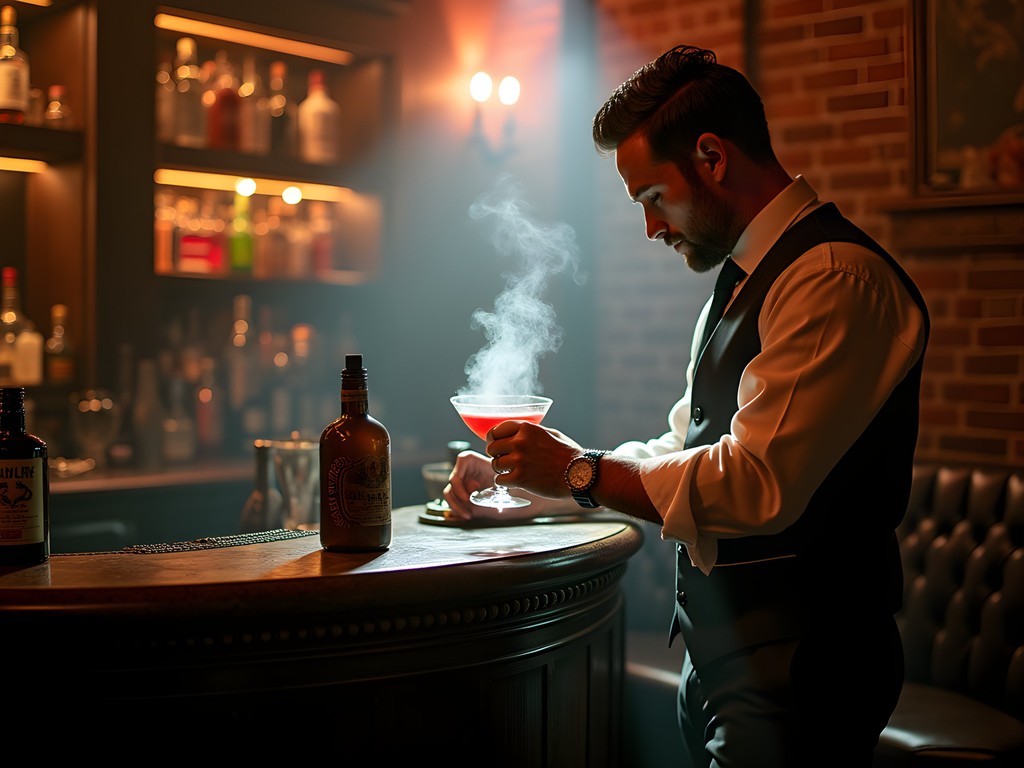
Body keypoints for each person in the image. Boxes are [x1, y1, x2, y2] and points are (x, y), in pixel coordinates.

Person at [444, 44, 929, 767]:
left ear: (712, 156)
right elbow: (683, 451)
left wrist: (579, 471)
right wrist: (535, 484)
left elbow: (753, 483)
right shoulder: (743, 285)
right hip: (723, 663)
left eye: (652, 198)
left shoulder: (832, 279)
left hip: (803, 668)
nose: (651, 227)